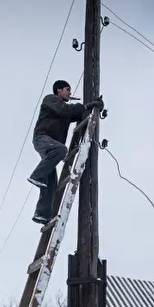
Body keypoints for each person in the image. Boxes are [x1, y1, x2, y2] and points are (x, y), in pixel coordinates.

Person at [28, 80, 104, 225]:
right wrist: (87, 105)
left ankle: (42, 215)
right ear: (58, 90)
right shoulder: (50, 100)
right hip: (43, 139)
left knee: (51, 183)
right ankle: (36, 176)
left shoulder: (64, 111)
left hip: (51, 147)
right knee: (61, 150)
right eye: (67, 89)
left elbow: (78, 113)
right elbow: (65, 110)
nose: (70, 93)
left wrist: (95, 108)